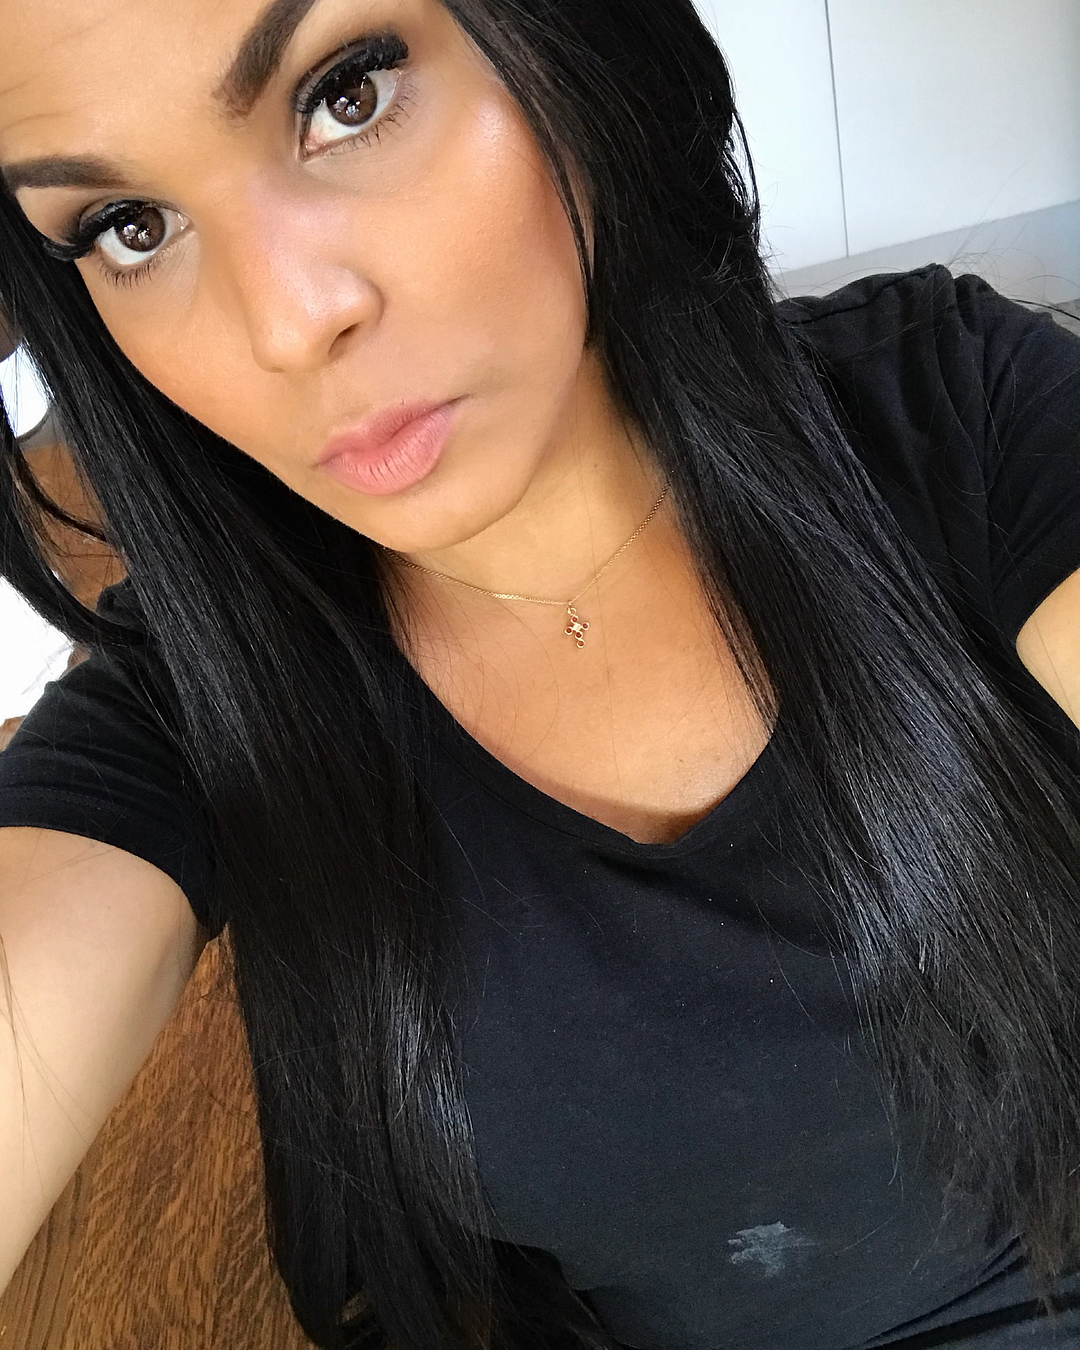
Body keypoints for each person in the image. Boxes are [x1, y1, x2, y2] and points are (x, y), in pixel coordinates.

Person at [3, 1, 1080, 1347]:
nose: (285, 325)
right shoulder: (194, 705)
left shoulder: (961, 415)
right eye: (129, 226)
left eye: (347, 94)